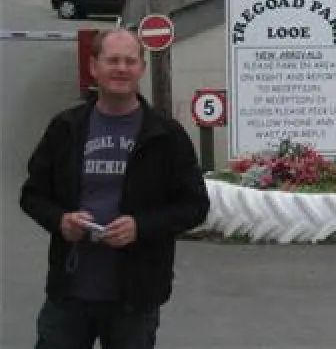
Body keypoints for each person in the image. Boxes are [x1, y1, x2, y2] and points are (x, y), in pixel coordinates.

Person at [20, 28, 210, 349]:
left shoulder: (166, 136)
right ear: (94, 67)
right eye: (112, 60)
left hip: (135, 297)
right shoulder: (66, 127)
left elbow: (194, 206)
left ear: (141, 69)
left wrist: (141, 226)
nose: (121, 68)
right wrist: (61, 221)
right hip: (70, 292)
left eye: (129, 61)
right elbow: (32, 195)